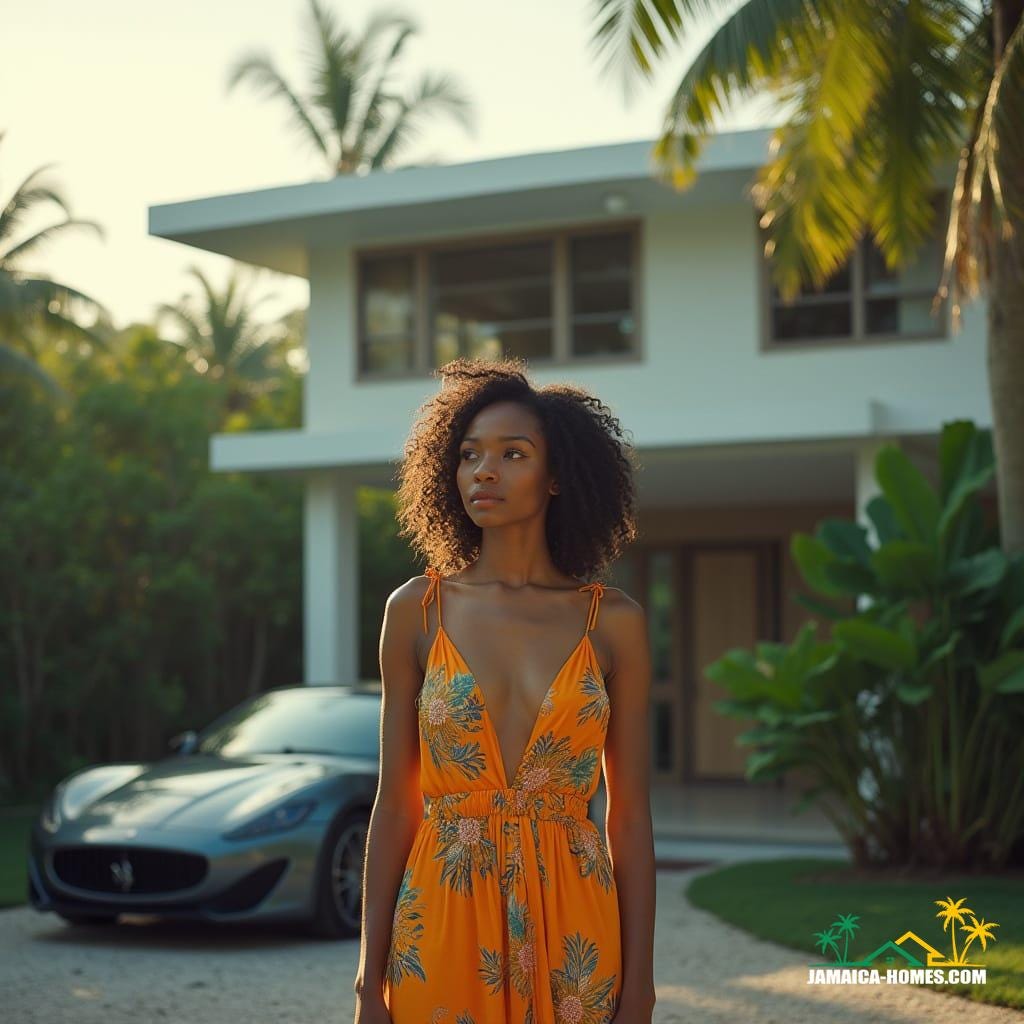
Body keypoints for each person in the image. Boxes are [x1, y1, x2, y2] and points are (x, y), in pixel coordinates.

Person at [353, 356, 656, 1024]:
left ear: (556, 478)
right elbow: (395, 807)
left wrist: (641, 986)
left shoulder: (614, 623)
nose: (483, 472)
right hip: (442, 918)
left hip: (576, 923)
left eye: (512, 454)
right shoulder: (417, 611)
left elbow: (628, 817)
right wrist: (367, 983)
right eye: (468, 455)